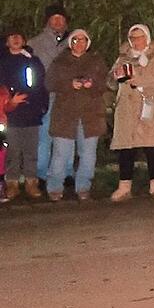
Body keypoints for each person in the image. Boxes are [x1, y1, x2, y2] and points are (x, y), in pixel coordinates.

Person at [44, 29, 108, 201]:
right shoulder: (60, 61)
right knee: (60, 153)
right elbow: (49, 82)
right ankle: (55, 186)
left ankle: (83, 186)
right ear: (70, 42)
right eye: (76, 40)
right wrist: (69, 84)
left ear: (88, 42)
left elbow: (105, 83)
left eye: (83, 40)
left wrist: (92, 84)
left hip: (90, 115)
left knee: (88, 154)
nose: (79, 43)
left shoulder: (96, 61)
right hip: (65, 115)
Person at [109, 25, 154, 201]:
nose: (136, 41)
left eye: (140, 37)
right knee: (126, 147)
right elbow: (111, 81)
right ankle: (124, 186)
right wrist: (116, 76)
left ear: (147, 38)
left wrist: (138, 79)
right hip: (127, 108)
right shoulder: (122, 58)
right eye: (133, 38)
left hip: (148, 105)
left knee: (152, 146)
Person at [0, 30, 48, 200]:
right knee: (12, 151)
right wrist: (9, 103)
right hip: (11, 116)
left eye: (19, 36)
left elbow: (41, 85)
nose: (16, 39)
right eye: (12, 36)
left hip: (31, 114)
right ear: (7, 42)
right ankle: (12, 183)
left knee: (31, 151)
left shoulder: (32, 60)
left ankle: (31, 182)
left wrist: (42, 106)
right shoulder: (3, 62)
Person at [27, 3, 69, 184]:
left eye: (61, 18)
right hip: (45, 96)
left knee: (67, 136)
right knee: (44, 137)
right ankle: (41, 174)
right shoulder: (34, 43)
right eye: (54, 18)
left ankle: (67, 173)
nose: (58, 22)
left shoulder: (73, 41)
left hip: (68, 97)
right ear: (48, 21)